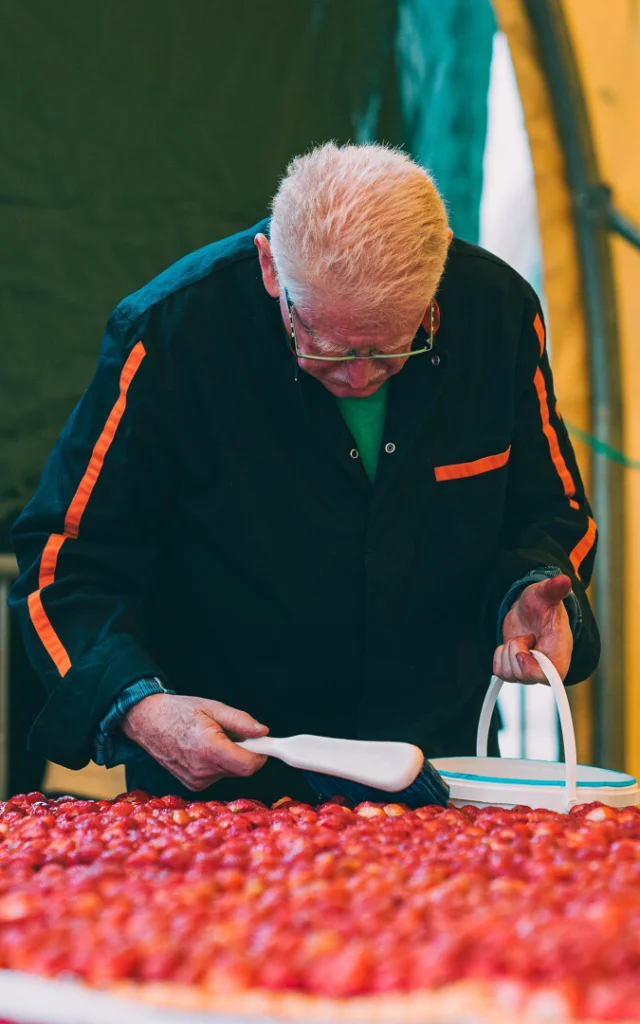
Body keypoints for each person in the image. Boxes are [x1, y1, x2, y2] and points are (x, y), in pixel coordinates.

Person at [9, 143, 599, 804]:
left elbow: (552, 512)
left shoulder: (498, 311)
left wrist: (530, 587)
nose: (359, 377)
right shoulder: (173, 334)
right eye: (324, 343)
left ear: (437, 290)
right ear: (270, 268)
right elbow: (66, 565)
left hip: (439, 767)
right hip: (222, 782)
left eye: (394, 345)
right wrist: (140, 707)